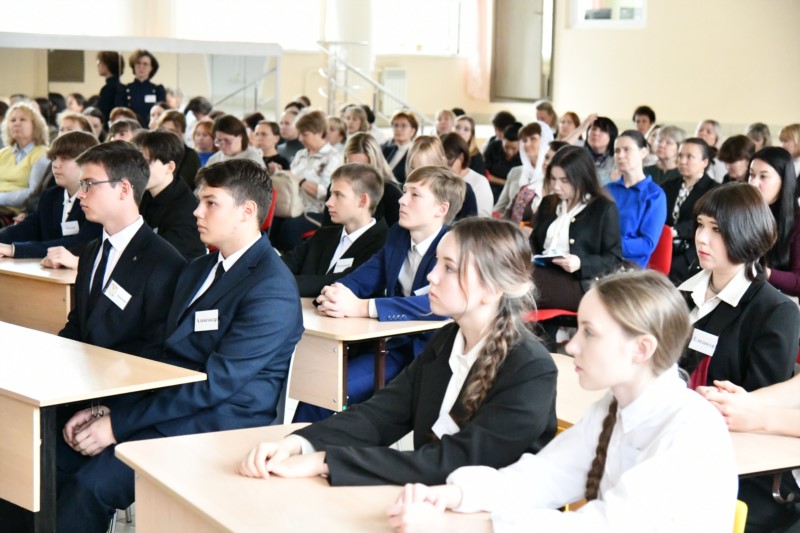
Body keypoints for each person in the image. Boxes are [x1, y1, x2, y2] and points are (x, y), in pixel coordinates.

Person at [55, 159, 304, 531]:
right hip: (172, 404)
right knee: (53, 459)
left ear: (247, 211)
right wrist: (104, 407)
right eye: (200, 201)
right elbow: (164, 353)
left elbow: (215, 385)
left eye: (210, 203)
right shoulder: (199, 268)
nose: (196, 211)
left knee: (89, 487)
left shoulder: (271, 288)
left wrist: (118, 424)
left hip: (220, 424)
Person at [387, 270, 738, 533]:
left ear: (641, 348)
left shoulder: (691, 431)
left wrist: (455, 526)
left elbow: (600, 526)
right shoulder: (612, 408)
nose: (572, 345)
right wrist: (453, 495)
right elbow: (540, 478)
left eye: (589, 332)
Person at [239, 217, 558, 487]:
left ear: (491, 289)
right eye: (437, 263)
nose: (431, 276)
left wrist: (326, 461)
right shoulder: (447, 340)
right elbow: (380, 414)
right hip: (429, 503)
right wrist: (298, 443)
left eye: (448, 268)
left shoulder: (530, 368)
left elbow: (455, 462)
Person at [299, 166, 466, 422]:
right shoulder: (398, 235)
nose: (401, 200)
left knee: (328, 389)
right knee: (318, 387)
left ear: (441, 209)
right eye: (404, 191)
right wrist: (336, 293)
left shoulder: (454, 247)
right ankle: (295, 443)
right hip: (390, 346)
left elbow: (434, 305)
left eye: (415, 195)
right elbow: (365, 276)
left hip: (433, 353)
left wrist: (363, 307)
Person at [678, 183, 799, 532]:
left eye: (716, 229)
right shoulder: (685, 291)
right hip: (673, 436)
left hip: (730, 462)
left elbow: (749, 409)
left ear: (747, 234)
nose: (701, 238)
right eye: (700, 225)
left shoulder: (774, 311)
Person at [57, 141, 186, 359]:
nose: (80, 194)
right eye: (81, 184)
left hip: (127, 376)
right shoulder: (90, 251)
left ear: (124, 189)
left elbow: (154, 344)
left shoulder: (164, 262)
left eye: (89, 184)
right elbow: (78, 323)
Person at [530, 145, 622, 313]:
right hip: (543, 273)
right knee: (508, 279)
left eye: (564, 180)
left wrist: (581, 263)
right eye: (553, 179)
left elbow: (613, 259)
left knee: (519, 288)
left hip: (578, 281)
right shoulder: (548, 203)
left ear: (582, 178)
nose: (556, 186)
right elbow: (534, 243)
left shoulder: (603, 209)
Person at [282, 163, 388, 297]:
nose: (328, 203)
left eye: (338, 195)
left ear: (362, 201)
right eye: (331, 194)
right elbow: (286, 263)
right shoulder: (323, 235)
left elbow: (340, 283)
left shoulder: (384, 244)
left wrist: (278, 283)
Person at [0, 131, 101, 258]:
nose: (55, 165)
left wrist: (14, 249)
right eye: (54, 158)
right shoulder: (50, 196)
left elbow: (78, 245)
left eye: (65, 158)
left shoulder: (96, 200)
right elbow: (28, 228)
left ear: (87, 163)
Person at [271, 110, 344, 251]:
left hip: (318, 210)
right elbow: (291, 180)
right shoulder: (300, 154)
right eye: (299, 134)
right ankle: (276, 261)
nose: (300, 139)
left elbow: (326, 192)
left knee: (289, 228)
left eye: (305, 134)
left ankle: (299, 262)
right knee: (272, 223)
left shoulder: (333, 157)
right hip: (293, 207)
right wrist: (281, 173)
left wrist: (299, 180)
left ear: (319, 133)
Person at [131, 130, 206, 260]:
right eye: (135, 162)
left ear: (170, 167)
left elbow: (160, 257)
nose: (137, 170)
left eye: (146, 163)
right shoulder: (144, 195)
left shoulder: (186, 210)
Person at [605, 130, 667, 268]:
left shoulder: (655, 195)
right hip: (600, 260)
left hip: (629, 266)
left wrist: (609, 245)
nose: (620, 155)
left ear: (643, 153)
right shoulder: (607, 190)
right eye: (617, 151)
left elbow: (646, 244)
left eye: (626, 150)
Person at [662, 138, 718, 283]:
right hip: (666, 245)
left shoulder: (714, 190)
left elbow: (707, 221)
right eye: (680, 156)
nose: (682, 161)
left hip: (694, 248)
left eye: (689, 157)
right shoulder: (668, 186)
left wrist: (675, 231)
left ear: (704, 162)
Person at [748, 147, 800, 296]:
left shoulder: (796, 221)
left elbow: (798, 281)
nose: (753, 183)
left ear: (784, 180)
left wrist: (763, 272)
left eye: (763, 177)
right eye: (751, 175)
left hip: (778, 299)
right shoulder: (744, 212)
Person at [0, 102, 51, 224]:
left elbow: (33, 193)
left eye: (22, 119)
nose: (16, 123)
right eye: (12, 120)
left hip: (16, 214)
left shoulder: (42, 154)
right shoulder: (3, 153)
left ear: (36, 125)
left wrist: (1, 198)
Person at [493, 122, 554, 222]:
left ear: (544, 141)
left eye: (533, 139)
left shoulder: (552, 176)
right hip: (510, 226)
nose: (527, 144)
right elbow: (500, 206)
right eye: (524, 140)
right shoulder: (515, 172)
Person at [406, 136, 477, 220]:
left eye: (424, 170)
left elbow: (470, 227)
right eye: (413, 168)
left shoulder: (463, 192)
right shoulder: (405, 192)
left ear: (438, 164)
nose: (417, 175)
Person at [442, 132, 493, 217]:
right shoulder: (439, 179)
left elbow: (482, 219)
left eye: (449, 164)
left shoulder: (479, 183)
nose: (444, 169)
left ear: (461, 157)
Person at [156, 109, 201, 189]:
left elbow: (182, 185)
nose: (166, 134)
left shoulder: (190, 156)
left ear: (182, 133)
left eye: (172, 131)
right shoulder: (154, 152)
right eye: (163, 130)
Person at [125, 49, 166, 128]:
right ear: (133, 66)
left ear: (151, 68)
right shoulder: (125, 90)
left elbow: (161, 113)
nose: (141, 67)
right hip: (131, 128)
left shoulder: (158, 90)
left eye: (145, 64)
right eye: (138, 63)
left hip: (151, 129)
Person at [484, 122, 523, 201]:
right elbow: (485, 173)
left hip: (512, 193)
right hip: (489, 188)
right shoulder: (493, 147)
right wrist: (506, 183)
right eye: (506, 147)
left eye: (514, 148)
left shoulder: (524, 156)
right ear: (502, 139)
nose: (509, 152)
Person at [382, 110, 419, 184]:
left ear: (413, 130)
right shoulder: (385, 149)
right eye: (396, 125)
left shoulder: (416, 153)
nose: (398, 129)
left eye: (404, 126)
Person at [95, 51, 125, 122]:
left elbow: (102, 113)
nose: (98, 65)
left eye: (99, 62)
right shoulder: (122, 87)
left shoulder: (108, 89)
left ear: (107, 64)